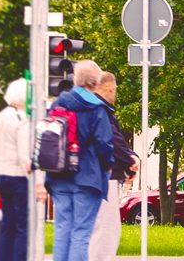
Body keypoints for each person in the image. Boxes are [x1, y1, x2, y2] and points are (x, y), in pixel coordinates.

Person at [43, 60, 114, 261]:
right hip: (87, 177)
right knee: (81, 233)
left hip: (58, 175)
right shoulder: (96, 107)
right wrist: (107, 166)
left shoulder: (58, 103)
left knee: (62, 230)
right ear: (96, 81)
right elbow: (104, 144)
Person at [88, 72, 138, 261]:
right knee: (106, 230)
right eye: (115, 89)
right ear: (110, 88)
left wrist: (129, 158)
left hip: (90, 176)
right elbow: (113, 140)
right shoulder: (101, 110)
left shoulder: (89, 108)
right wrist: (130, 161)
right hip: (104, 177)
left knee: (91, 229)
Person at [0, 79, 31, 261]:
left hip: (0, 174)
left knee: (8, 222)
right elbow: (24, 153)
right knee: (22, 225)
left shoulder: (0, 117)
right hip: (17, 175)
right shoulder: (21, 118)